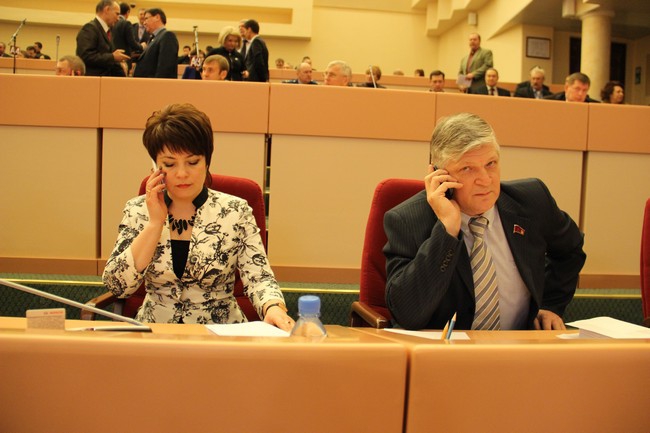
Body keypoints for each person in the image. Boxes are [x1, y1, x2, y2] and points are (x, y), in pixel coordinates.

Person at [384, 112, 586, 331]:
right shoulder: (408, 220)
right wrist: (447, 231)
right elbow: (407, 315)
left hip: (521, 345)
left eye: (490, 164)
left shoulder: (532, 202)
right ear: (438, 175)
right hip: (445, 349)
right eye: (467, 168)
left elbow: (571, 250)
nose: (485, 180)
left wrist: (550, 304)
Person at [103, 103, 294, 329]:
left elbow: (259, 278)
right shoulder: (137, 210)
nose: (182, 173)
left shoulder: (236, 211)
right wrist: (154, 223)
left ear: (207, 161)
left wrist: (273, 308)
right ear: (154, 166)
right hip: (156, 332)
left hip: (220, 332)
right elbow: (118, 286)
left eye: (193, 162)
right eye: (169, 164)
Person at [76, 0, 129, 77]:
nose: (118, 18)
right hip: (93, 80)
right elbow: (85, 56)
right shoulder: (90, 28)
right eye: (117, 14)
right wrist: (112, 57)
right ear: (107, 9)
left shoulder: (108, 31)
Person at [133, 8, 179, 79]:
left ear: (157, 17)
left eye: (146, 19)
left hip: (155, 84)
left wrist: (157, 85)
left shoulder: (167, 36)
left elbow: (165, 69)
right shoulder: (153, 39)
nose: (144, 23)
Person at [112, 2, 143, 73]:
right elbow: (132, 42)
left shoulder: (112, 23)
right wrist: (142, 46)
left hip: (112, 58)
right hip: (124, 58)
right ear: (128, 12)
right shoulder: (126, 23)